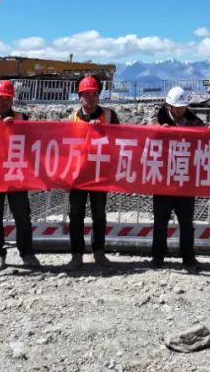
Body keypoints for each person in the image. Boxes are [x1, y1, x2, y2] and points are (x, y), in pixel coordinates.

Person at [0, 80, 40, 270]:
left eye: (8, 98)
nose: (4, 102)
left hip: (16, 174)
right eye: (0, 98)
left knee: (22, 216)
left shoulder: (22, 118)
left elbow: (33, 141)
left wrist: (14, 127)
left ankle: (27, 253)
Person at [151, 86, 205, 271]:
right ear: (169, 105)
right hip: (163, 180)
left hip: (184, 179)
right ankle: (158, 256)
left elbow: (206, 136)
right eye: (177, 106)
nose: (180, 110)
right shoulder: (157, 119)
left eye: (182, 106)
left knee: (186, 222)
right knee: (160, 221)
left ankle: (188, 258)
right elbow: (141, 133)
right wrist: (158, 130)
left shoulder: (193, 121)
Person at [68, 75, 118, 271]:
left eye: (94, 94)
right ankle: (77, 254)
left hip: (100, 173)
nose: (91, 98)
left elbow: (121, 139)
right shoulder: (72, 118)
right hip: (79, 174)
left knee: (99, 214)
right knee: (76, 215)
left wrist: (103, 131)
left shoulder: (109, 115)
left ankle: (99, 251)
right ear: (80, 97)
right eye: (86, 95)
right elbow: (66, 147)